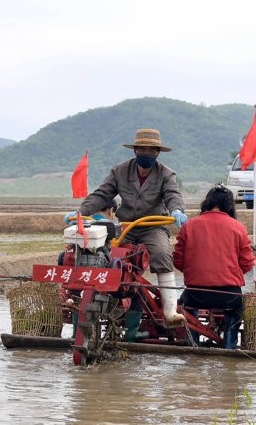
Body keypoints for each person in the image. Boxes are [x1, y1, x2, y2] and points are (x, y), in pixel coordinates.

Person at [67, 128, 188, 325]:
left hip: (152, 226)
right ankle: (97, 300)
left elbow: (173, 195)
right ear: (135, 150)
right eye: (143, 149)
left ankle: (170, 311)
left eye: (151, 150)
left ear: (158, 152)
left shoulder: (166, 174)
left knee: (162, 254)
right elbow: (102, 194)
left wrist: (176, 210)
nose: (147, 153)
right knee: (106, 256)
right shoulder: (120, 171)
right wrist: (80, 211)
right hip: (126, 226)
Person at [172, 185, 255, 348]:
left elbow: (178, 261)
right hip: (229, 295)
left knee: (185, 306)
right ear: (229, 206)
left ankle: (193, 343)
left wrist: (196, 272)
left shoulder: (188, 226)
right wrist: (230, 273)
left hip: (196, 293)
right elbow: (247, 263)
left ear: (207, 203)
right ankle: (229, 346)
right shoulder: (238, 228)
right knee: (236, 309)